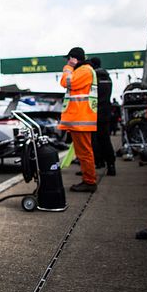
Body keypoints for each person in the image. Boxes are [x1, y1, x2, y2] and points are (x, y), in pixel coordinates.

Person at [58, 47, 98, 192]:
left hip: (81, 119)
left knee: (84, 152)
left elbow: (66, 82)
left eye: (69, 59)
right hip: (80, 119)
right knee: (83, 152)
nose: (68, 62)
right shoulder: (85, 70)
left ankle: (89, 181)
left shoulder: (84, 70)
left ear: (74, 58)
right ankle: (88, 180)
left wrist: (68, 68)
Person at [89, 57, 116, 176]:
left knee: (94, 140)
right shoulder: (108, 78)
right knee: (105, 140)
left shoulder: (94, 78)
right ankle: (111, 165)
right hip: (106, 113)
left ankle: (99, 162)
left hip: (95, 113)